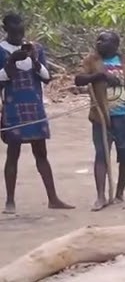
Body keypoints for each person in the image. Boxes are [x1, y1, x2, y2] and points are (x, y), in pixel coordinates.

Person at [1, 12, 72, 213]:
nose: (18, 36)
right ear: (6, 29)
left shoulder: (36, 49)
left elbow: (47, 77)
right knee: (12, 154)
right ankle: (10, 201)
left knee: (41, 153)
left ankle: (53, 198)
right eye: (14, 32)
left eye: (21, 32)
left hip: (35, 107)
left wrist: (34, 60)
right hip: (13, 108)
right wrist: (10, 63)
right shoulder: (1, 51)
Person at [75, 29, 125, 210]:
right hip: (101, 118)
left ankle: (119, 194)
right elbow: (79, 79)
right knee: (101, 155)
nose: (99, 43)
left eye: (105, 41)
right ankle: (101, 196)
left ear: (115, 45)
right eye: (98, 40)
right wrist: (99, 76)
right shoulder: (91, 61)